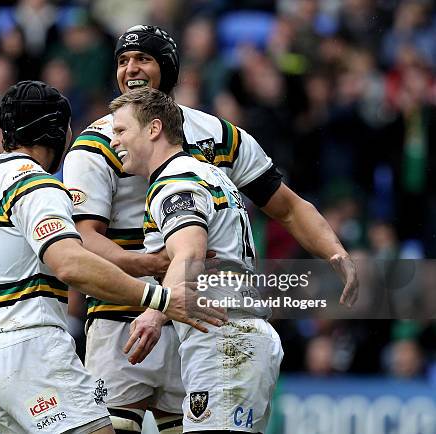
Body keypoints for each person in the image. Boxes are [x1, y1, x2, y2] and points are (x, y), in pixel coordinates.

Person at [63, 25, 359, 433]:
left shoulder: (217, 137)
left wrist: (333, 250)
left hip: (199, 318)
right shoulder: (97, 144)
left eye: (142, 59)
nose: (130, 68)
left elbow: (287, 206)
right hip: (123, 317)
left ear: (167, 68)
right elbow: (84, 239)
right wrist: (150, 269)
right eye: (122, 60)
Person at [0, 80, 225, 434]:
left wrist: (144, 263)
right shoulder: (35, 184)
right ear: (55, 131)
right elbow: (70, 263)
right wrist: (158, 298)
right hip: (27, 346)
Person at [110, 85, 283, 433]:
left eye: (120, 130)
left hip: (225, 339)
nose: (113, 141)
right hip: (239, 335)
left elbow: (191, 251)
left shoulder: (175, 181)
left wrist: (154, 314)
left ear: (154, 128)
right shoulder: (208, 173)